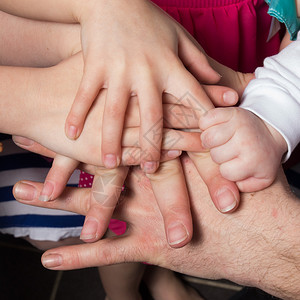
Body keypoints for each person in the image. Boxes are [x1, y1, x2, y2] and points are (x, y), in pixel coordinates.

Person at [13, 155, 300, 300]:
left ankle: (158, 277)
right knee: (127, 226)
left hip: (198, 120)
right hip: (123, 141)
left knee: (174, 222)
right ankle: (122, 295)